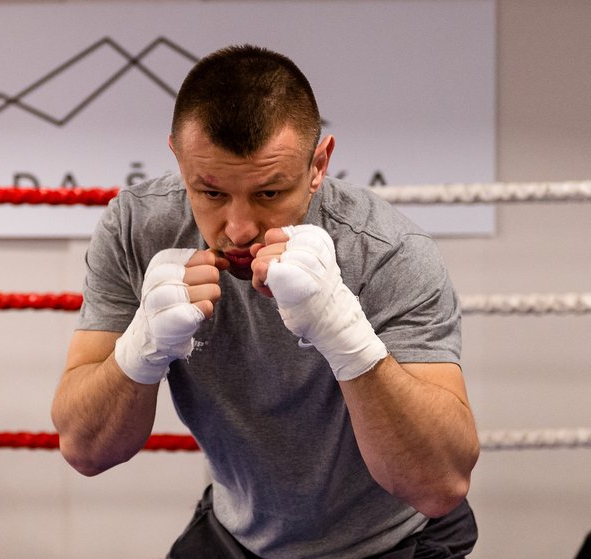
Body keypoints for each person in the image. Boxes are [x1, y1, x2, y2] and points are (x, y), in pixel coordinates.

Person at [51, 44, 480, 558]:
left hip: (392, 541)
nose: (239, 227)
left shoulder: (387, 253)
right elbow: (85, 449)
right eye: (210, 192)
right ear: (178, 158)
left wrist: (347, 338)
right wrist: (140, 348)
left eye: (269, 193)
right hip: (237, 533)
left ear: (318, 164)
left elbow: (440, 485)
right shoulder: (137, 228)